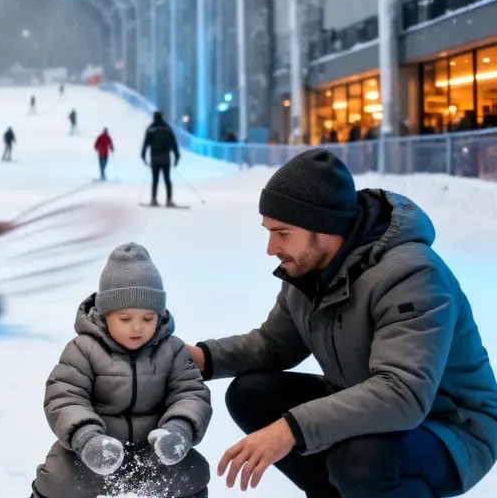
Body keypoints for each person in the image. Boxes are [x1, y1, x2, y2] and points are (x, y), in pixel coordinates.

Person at [186, 149, 497, 497]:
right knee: (251, 395)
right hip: (366, 400)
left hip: (449, 427)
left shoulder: (412, 274)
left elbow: (403, 394)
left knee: (362, 459)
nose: (271, 248)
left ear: (324, 226)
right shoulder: (309, 270)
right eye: (269, 232)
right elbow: (274, 345)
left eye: (283, 233)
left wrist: (289, 429)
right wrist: (200, 358)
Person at [31, 243, 212, 498]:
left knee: (193, 472)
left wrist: (178, 429)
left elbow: (191, 393)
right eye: (125, 319)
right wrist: (87, 439)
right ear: (105, 315)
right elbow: (65, 396)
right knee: (57, 477)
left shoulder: (172, 350)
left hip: (152, 452)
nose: (137, 328)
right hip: (97, 449)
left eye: (148, 318)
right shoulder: (83, 349)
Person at [141, 110, 180, 207]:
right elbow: (173, 143)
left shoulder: (151, 128)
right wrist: (176, 156)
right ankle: (169, 200)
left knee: (155, 180)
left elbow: (146, 143)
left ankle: (154, 199)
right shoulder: (167, 128)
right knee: (167, 179)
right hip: (166, 157)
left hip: (155, 157)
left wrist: (143, 155)